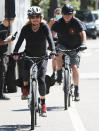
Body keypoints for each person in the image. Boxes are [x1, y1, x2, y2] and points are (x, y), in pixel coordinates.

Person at [13, 6, 55, 116]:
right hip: (29, 55)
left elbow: (50, 40)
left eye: (37, 16)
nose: (35, 19)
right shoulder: (26, 28)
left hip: (42, 57)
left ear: (41, 17)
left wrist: (53, 51)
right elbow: (19, 41)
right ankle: (25, 89)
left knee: (41, 79)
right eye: (32, 17)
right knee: (25, 72)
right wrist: (15, 52)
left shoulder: (44, 27)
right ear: (29, 18)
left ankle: (43, 104)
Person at [51, 3, 87, 101]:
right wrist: (50, 45)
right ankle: (59, 73)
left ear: (72, 14)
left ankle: (76, 90)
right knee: (57, 52)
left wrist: (83, 44)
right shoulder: (58, 23)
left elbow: (83, 33)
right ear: (62, 14)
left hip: (75, 47)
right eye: (65, 14)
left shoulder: (76, 22)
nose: (67, 16)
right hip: (62, 45)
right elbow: (51, 34)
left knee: (74, 67)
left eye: (69, 14)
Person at [0, 18, 15, 100]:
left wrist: (11, 36)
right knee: (2, 73)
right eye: (12, 19)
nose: (13, 21)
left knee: (2, 74)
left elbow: (9, 34)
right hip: (1, 53)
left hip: (3, 53)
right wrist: (7, 41)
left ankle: (1, 94)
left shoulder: (8, 27)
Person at [48, 8, 63, 85]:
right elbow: (48, 31)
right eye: (57, 13)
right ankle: (54, 72)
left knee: (62, 55)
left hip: (63, 40)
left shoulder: (64, 20)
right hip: (54, 40)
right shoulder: (52, 20)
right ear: (54, 14)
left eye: (60, 13)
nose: (58, 14)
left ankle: (61, 71)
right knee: (54, 57)